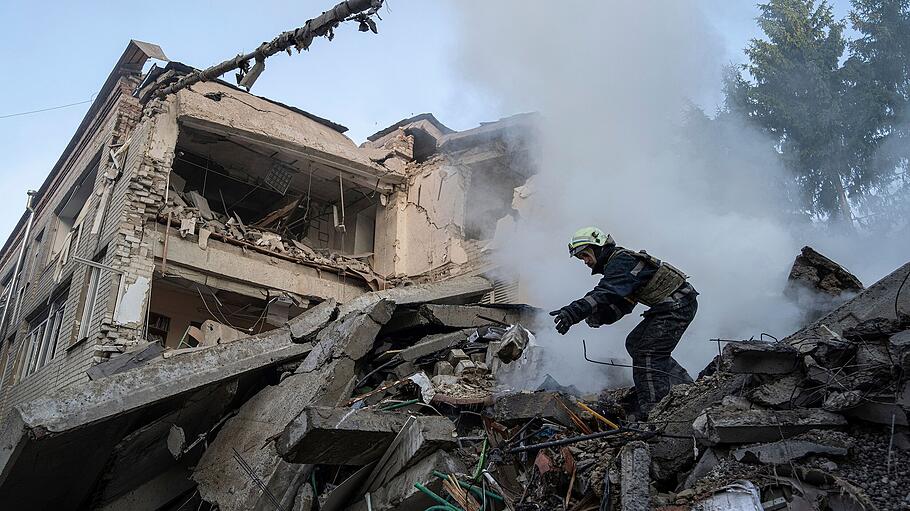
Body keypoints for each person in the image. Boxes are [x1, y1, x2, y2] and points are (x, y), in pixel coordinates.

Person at [549, 226, 697, 418]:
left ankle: (655, 412)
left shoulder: (621, 261)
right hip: (671, 306)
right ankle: (686, 388)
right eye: (581, 259)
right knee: (635, 343)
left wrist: (573, 312)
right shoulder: (617, 265)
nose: (585, 262)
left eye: (585, 255)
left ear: (598, 247)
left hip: (677, 306)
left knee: (647, 352)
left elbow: (606, 292)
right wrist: (600, 317)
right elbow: (623, 304)